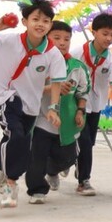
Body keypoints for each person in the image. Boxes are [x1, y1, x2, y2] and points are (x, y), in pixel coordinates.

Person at [0, 0, 66, 209]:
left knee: (18, 140)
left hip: (31, 104)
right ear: (24, 21)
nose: (40, 24)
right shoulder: (7, 41)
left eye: (46, 21)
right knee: (15, 135)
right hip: (7, 97)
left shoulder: (52, 53)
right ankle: (11, 185)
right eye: (35, 19)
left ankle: (0, 166)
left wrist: (53, 108)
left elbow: (56, 82)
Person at [25, 21, 90, 205]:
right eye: (57, 38)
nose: (62, 42)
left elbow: (83, 91)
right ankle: (37, 190)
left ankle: (53, 171)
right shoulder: (37, 62)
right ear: (47, 38)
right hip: (42, 119)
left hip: (67, 123)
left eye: (66, 39)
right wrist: (52, 88)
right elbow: (27, 87)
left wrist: (80, 111)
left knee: (68, 157)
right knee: (37, 156)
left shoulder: (77, 67)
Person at [73, 12, 112, 196]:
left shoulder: (111, 59)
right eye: (105, 33)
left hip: (96, 104)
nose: (109, 38)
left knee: (89, 143)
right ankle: (83, 181)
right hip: (76, 104)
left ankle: (76, 168)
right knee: (84, 142)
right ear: (93, 32)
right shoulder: (77, 53)